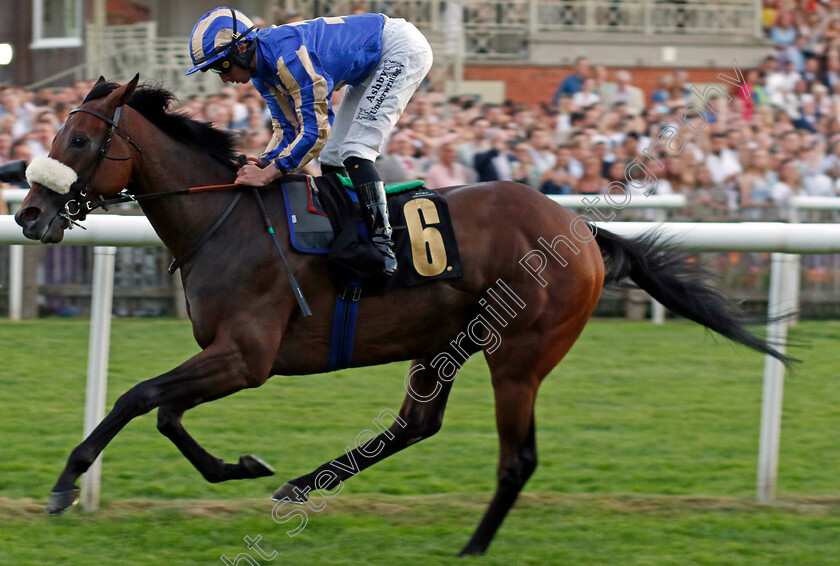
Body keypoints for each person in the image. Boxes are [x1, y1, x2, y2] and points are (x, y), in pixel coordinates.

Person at [186, 7, 433, 277]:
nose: (223, 77)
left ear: (243, 47)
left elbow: (316, 132)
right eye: (213, 69)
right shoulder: (261, 71)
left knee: (356, 151)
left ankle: (383, 245)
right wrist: (264, 162)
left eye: (222, 64)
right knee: (332, 157)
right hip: (371, 61)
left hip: (398, 49)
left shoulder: (290, 59)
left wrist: (268, 174)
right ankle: (348, 235)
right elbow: (287, 129)